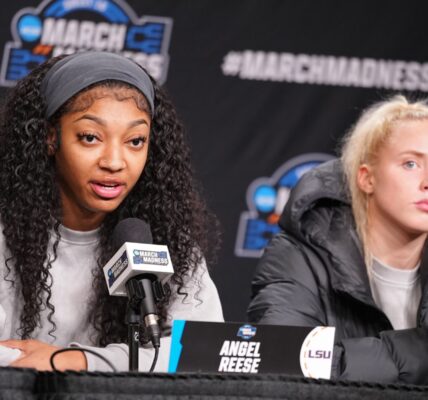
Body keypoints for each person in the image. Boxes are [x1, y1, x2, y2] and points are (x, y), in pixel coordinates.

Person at [0, 51, 223, 372]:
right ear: (50, 137)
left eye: (135, 141)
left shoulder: (171, 243)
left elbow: (201, 356)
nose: (115, 162)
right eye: (90, 137)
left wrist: (76, 360)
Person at [247, 95, 428, 384]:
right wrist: (417, 352)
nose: (426, 181)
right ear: (367, 178)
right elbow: (282, 361)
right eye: (410, 164)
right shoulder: (299, 255)